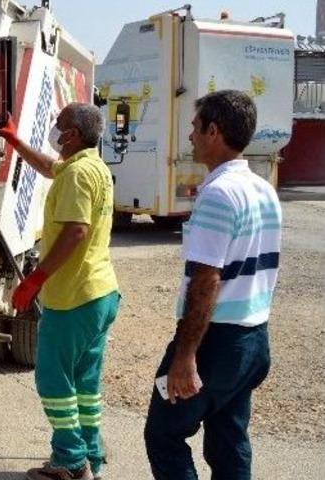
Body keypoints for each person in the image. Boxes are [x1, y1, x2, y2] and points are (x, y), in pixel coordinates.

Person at [144, 90, 279, 480]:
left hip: (214, 342)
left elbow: (206, 281)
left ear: (213, 131)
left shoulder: (218, 194)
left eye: (194, 126)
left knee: (164, 434)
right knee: (228, 438)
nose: (190, 136)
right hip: (253, 339)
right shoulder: (264, 189)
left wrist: (186, 356)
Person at [0, 103, 119, 480]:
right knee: (85, 384)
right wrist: (15, 141)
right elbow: (49, 167)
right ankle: (90, 456)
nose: (54, 129)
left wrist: (34, 280)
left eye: (59, 125)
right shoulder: (91, 166)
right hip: (100, 293)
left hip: (74, 298)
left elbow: (76, 230)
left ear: (74, 135)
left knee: (52, 378)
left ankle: (70, 462)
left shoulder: (79, 175)